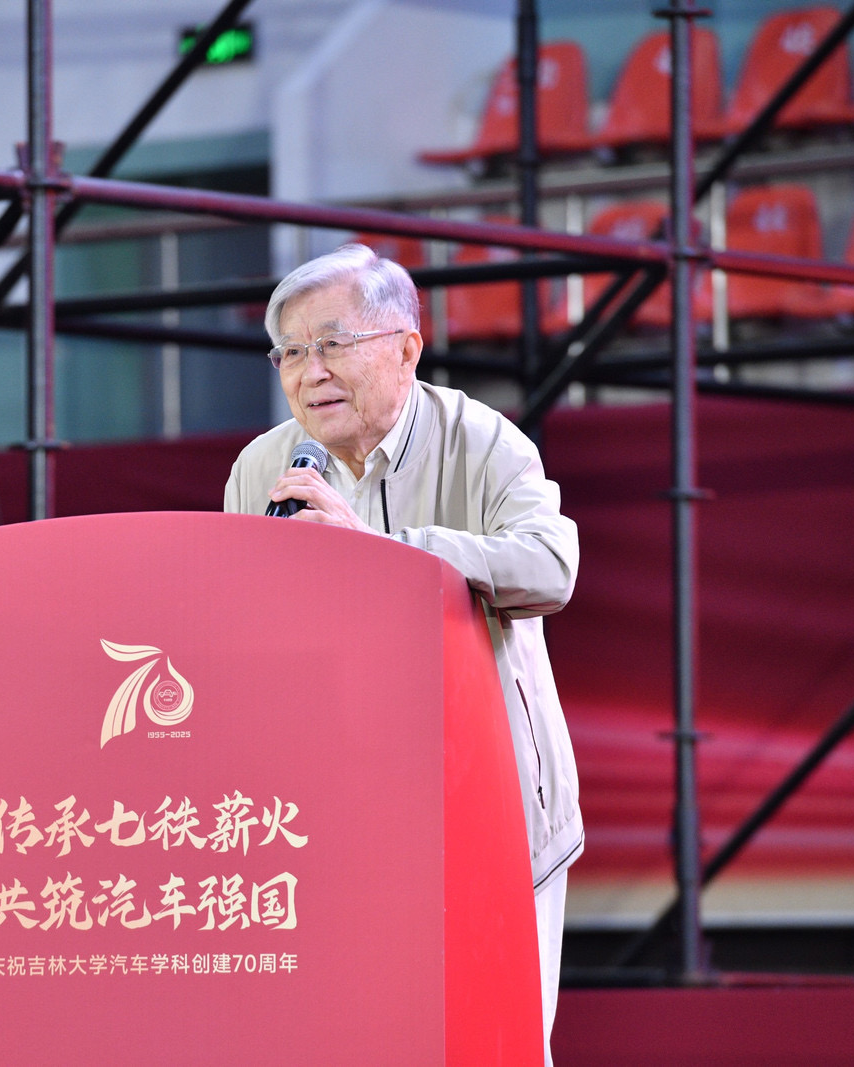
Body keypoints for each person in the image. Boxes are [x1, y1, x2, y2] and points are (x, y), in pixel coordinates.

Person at [223, 243, 581, 1063]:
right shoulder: (263, 468)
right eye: (290, 353)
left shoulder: (484, 443)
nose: (311, 372)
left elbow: (551, 566)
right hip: (337, 819)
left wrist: (381, 550)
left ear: (406, 348)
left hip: (490, 805)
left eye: (332, 343)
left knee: (491, 1043)